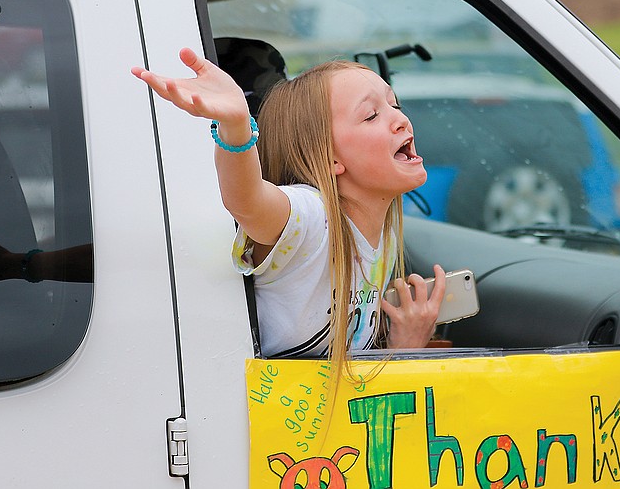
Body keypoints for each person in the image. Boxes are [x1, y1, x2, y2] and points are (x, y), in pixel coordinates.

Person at [131, 48, 446, 368]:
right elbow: (247, 201)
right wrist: (237, 127)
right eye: (371, 115)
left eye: (395, 105)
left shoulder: (385, 234)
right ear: (330, 159)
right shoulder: (311, 216)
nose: (401, 120)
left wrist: (406, 344)